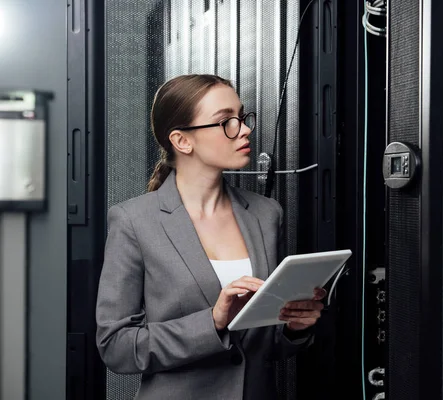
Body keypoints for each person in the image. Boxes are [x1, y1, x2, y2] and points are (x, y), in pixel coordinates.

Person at [96, 74, 326, 400]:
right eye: (225, 122)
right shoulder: (134, 221)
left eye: (243, 117)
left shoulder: (265, 214)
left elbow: (263, 346)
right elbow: (115, 347)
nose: (244, 129)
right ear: (182, 141)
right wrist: (213, 322)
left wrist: (293, 329)